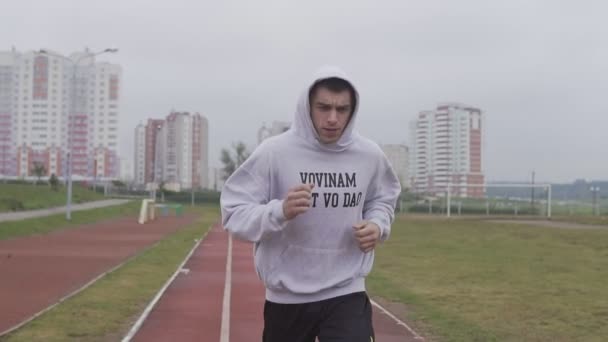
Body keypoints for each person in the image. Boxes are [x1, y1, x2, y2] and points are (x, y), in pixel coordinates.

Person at [220, 66, 401, 342]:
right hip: (287, 296)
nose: (332, 118)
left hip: (346, 289)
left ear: (353, 110)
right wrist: (279, 211)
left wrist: (377, 224)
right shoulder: (275, 152)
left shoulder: (369, 155)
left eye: (342, 109)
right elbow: (233, 212)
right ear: (307, 106)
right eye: (324, 107)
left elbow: (383, 198)